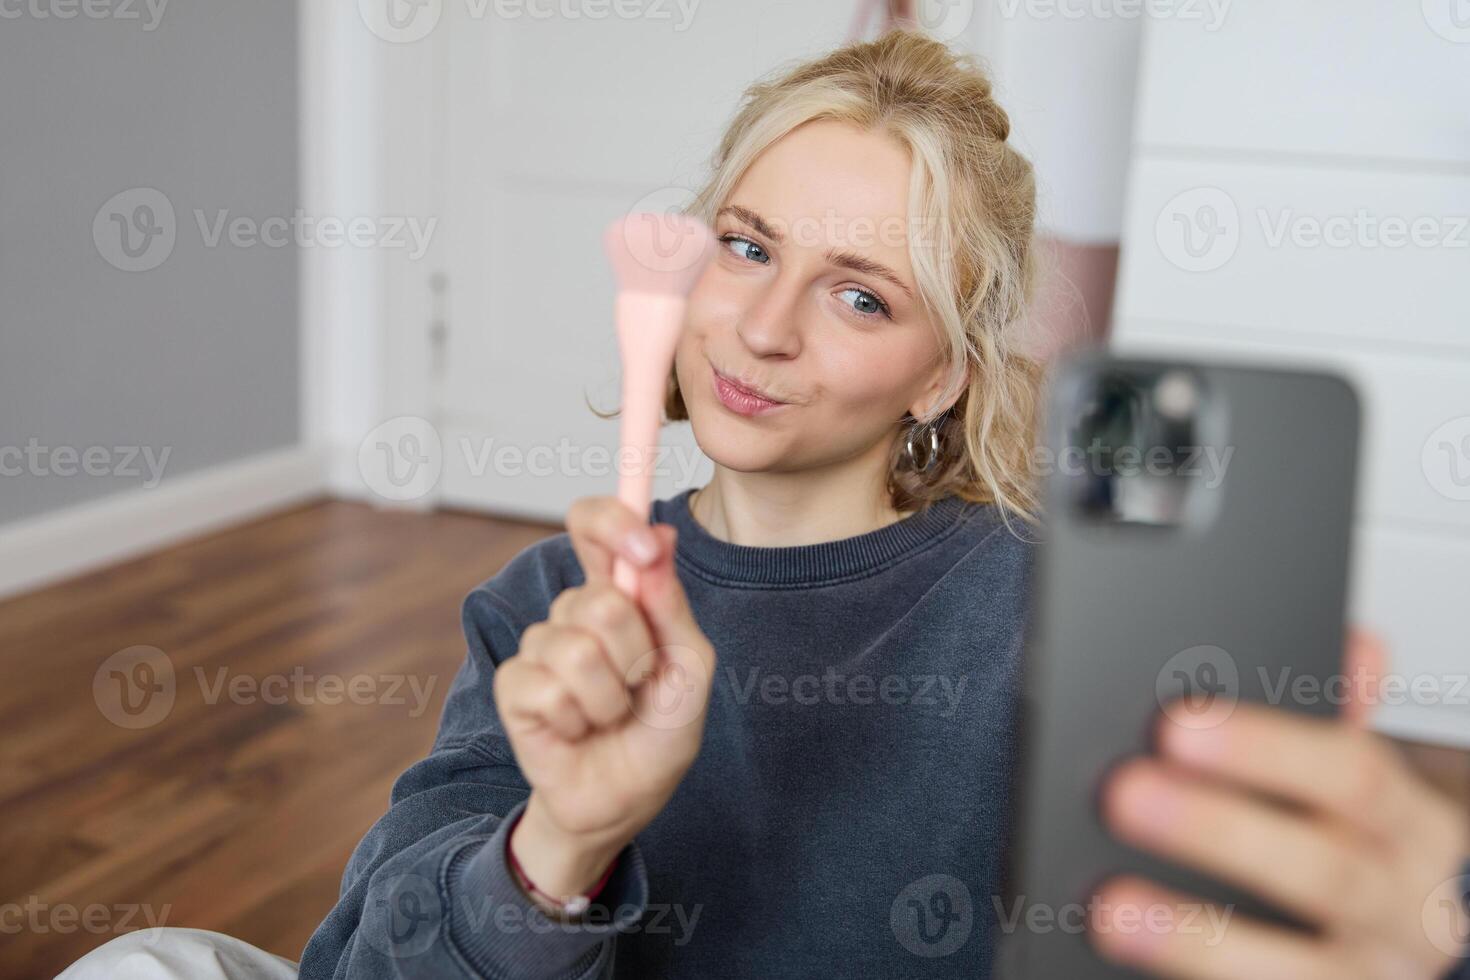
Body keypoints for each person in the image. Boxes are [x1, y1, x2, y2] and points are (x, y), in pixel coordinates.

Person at [60, 28, 1470, 980]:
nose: (765, 326)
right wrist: (558, 843)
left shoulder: (1051, 613)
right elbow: (367, 963)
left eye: (862, 293)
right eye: (744, 247)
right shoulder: (556, 603)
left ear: (937, 380)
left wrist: (1427, 929)